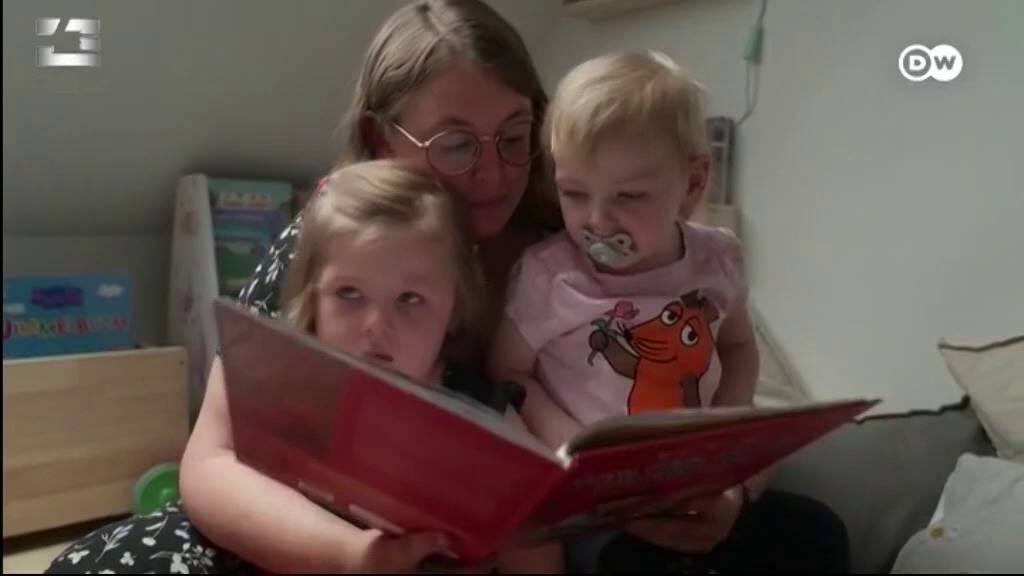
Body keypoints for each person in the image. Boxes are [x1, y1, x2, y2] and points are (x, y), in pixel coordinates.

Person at [489, 51, 849, 573]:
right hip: (601, 508)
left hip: (693, 486)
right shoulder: (549, 276)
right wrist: (570, 444)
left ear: (693, 185)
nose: (597, 220)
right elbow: (508, 371)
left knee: (818, 530)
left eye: (630, 196)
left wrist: (725, 442)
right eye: (574, 193)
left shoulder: (716, 258)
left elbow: (738, 346)